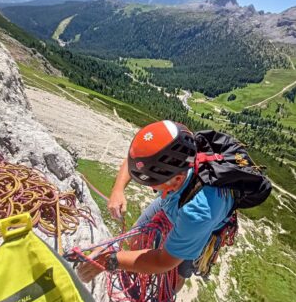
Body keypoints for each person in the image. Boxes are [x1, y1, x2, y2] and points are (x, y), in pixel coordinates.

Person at [77, 120, 234, 291]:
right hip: (172, 199)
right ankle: (134, 274)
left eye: (153, 183)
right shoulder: (173, 156)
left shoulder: (198, 213)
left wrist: (110, 261)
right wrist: (118, 189)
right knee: (135, 238)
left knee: (178, 273)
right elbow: (137, 159)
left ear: (176, 181)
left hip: (199, 225)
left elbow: (164, 261)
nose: (150, 188)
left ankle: (166, 297)